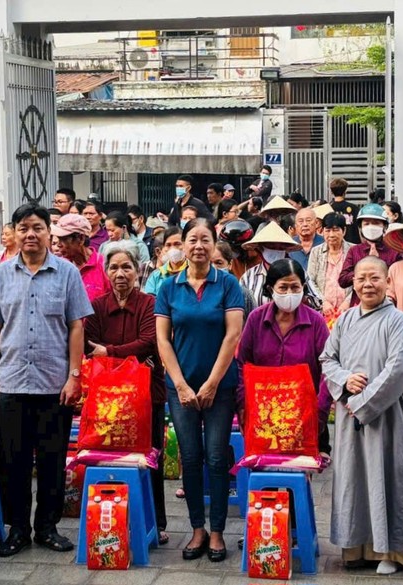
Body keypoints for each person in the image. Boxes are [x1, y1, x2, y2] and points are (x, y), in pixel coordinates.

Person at [0, 204, 92, 556]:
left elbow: (76, 326)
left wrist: (74, 377)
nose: (31, 234)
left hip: (53, 384)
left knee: (52, 460)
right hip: (11, 382)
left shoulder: (67, 273)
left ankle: (47, 527)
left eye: (38, 227)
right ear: (14, 232)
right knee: (13, 461)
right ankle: (18, 530)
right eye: (23, 228)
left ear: (48, 232)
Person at [319, 256, 403, 575]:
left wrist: (363, 403)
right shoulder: (347, 319)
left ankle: (392, 553)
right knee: (355, 481)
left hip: (387, 415)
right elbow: (327, 358)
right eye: (362, 278)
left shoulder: (399, 322)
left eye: (375, 278)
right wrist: (345, 379)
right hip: (352, 415)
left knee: (389, 480)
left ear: (387, 282)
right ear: (353, 282)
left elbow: (400, 369)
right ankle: (355, 548)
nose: (367, 284)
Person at [155, 217, 244, 563]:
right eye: (192, 240)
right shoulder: (168, 287)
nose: (198, 246)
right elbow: (163, 340)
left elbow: (232, 335)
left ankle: (218, 531)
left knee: (217, 457)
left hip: (219, 388)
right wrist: (180, 384)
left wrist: (210, 384)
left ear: (214, 242)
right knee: (190, 458)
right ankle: (196, 529)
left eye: (205, 239)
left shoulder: (227, 284)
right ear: (182, 244)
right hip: (180, 388)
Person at [84, 242, 170, 545]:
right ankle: (113, 519)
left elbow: (148, 342)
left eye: (126, 267)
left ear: (137, 270)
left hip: (148, 394)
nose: (120, 273)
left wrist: (108, 352)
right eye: (114, 267)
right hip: (109, 399)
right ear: (106, 272)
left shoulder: (149, 303)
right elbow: (87, 345)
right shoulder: (96, 306)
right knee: (111, 457)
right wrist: (125, 356)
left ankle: (155, 522)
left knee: (150, 458)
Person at [237, 259, 331, 449]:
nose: (289, 293)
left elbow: (328, 368)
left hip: (305, 415)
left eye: (295, 287)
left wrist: (319, 411)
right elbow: (242, 363)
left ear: (303, 287)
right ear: (271, 289)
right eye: (283, 287)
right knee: (265, 472)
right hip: (264, 414)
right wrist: (242, 405)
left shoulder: (316, 322)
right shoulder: (256, 319)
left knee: (298, 473)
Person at [241, 222, 320, 310]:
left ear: (286, 250)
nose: (276, 250)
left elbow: (317, 302)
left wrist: (300, 297)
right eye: (271, 246)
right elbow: (241, 306)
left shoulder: (298, 272)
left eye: (281, 247)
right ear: (260, 248)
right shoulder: (249, 276)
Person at [338, 204, 402, 307]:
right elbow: (343, 280)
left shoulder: (395, 251)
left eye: (376, 223)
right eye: (366, 224)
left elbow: (398, 279)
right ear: (360, 227)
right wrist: (365, 265)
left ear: (385, 226)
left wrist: (379, 262)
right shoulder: (355, 251)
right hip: (359, 307)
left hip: (387, 307)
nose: (371, 227)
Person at [52, 213, 110, 301]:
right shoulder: (59, 267)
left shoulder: (103, 265)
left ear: (81, 239)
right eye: (58, 239)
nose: (59, 245)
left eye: (64, 239)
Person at [307, 213, 353, 320]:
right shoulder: (316, 252)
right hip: (323, 312)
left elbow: (360, 280)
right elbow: (310, 281)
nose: (331, 235)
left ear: (344, 231)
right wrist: (323, 302)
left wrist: (347, 302)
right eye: (327, 231)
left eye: (336, 230)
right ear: (322, 231)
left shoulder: (353, 250)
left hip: (349, 311)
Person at [143, 226, 186, 295]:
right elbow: (149, 302)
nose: (173, 249)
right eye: (168, 245)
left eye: (177, 244)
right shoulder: (156, 276)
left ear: (185, 245)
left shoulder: (194, 271)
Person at [328, 178, 362, 244]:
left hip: (333, 244)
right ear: (345, 191)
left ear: (332, 192)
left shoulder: (327, 208)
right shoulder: (354, 208)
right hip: (353, 245)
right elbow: (360, 229)